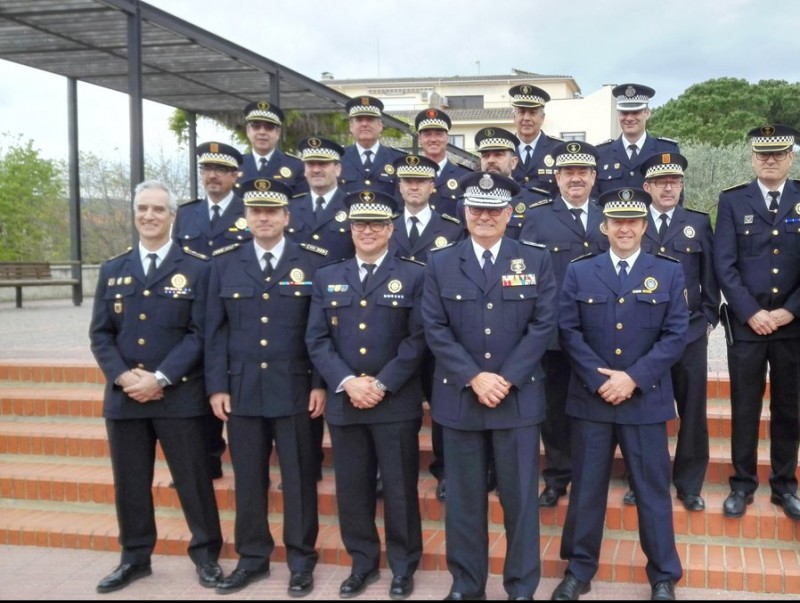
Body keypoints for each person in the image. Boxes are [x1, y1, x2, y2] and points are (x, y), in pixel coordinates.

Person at [422, 171, 557, 600]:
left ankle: (520, 587)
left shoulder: (535, 259)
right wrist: (474, 377)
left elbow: (543, 324)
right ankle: (466, 585)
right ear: (464, 212)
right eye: (476, 209)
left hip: (517, 399)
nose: (484, 216)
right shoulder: (441, 261)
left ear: (509, 213)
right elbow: (435, 327)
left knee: (520, 503)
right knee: (463, 504)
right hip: (461, 398)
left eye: (493, 209)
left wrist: (506, 377)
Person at [552, 187, 688, 601]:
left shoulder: (668, 270)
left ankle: (663, 574)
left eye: (632, 221)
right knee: (587, 487)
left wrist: (632, 378)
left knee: (651, 489)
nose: (624, 228)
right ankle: (579, 569)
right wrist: (601, 380)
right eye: (617, 221)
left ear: (644, 227)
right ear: (604, 226)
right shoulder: (580, 270)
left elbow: (675, 333)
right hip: (592, 399)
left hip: (645, 398)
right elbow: (568, 331)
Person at [89, 181, 223, 593]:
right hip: (126, 397)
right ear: (135, 214)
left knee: (193, 479)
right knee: (130, 481)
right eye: (143, 209)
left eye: (158, 210)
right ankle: (134, 557)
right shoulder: (114, 269)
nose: (149, 216)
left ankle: (206, 556)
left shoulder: (198, 268)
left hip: (178, 395)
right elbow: (101, 335)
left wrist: (159, 377)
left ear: (173, 216)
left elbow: (201, 333)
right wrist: (125, 377)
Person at [205, 178, 326, 597]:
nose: (263, 218)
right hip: (241, 390)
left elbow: (318, 331)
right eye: (256, 211)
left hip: (295, 388)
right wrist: (217, 386)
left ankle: (300, 560)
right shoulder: (223, 264)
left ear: (286, 217)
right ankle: (252, 558)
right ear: (245, 217)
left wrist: (319, 383)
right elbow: (214, 332)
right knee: (249, 478)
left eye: (272, 211)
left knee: (298, 477)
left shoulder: (311, 263)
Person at [306, 190, 427, 600]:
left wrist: (381, 383)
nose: (368, 231)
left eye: (377, 224)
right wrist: (347, 382)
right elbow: (317, 340)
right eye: (361, 224)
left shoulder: (414, 275)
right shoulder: (328, 276)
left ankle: (403, 565)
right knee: (352, 488)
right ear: (351, 229)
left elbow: (417, 339)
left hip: (395, 401)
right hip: (345, 402)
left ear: (391, 229)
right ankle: (362, 562)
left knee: (399, 487)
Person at [713, 124, 800, 521]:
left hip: (793, 325)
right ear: (752, 158)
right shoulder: (733, 200)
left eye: (778, 154)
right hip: (747, 325)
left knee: (789, 408)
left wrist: (790, 310)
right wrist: (751, 312)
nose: (770, 160)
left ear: (790, 158)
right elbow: (724, 264)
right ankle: (742, 484)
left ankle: (785, 485)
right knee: (744, 407)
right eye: (763, 154)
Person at [519, 141, 608, 508]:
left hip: (599, 333)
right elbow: (524, 276)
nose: (576, 178)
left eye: (582, 172)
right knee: (554, 409)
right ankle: (556, 477)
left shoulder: (609, 213)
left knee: (593, 407)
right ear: (556, 177)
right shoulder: (538, 217)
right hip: (554, 334)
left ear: (593, 177)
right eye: (568, 172)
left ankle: (590, 475)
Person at [640, 152, 720, 511]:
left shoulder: (698, 223)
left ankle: (689, 484)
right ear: (647, 187)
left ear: (682, 184)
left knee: (692, 408)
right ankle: (641, 480)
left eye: (674, 181)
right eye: (660, 181)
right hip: (642, 335)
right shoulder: (633, 221)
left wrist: (707, 318)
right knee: (643, 410)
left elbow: (710, 276)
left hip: (687, 332)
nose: (668, 186)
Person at [389, 153, 465, 501]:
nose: (414, 187)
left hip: (438, 329)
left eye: (420, 181)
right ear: (400, 186)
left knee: (441, 403)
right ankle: (387, 470)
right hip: (395, 329)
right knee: (395, 400)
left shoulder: (451, 226)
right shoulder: (385, 224)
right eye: (408, 181)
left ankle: (446, 468)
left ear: (433, 186)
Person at [172, 141, 246, 484]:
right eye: (207, 170)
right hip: (191, 308)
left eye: (221, 170)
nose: (213, 176)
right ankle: (205, 458)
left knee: (228, 378)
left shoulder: (251, 209)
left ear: (236, 175)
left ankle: (237, 454)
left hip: (236, 306)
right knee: (195, 384)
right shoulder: (186, 214)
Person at [594, 84, 680, 197]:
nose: (629, 118)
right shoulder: (601, 153)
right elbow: (594, 201)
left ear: (647, 113)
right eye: (624, 113)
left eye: (635, 112)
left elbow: (675, 197)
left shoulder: (667, 150)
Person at [471, 126, 550, 240]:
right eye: (485, 155)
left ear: (513, 162)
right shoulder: (467, 203)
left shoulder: (535, 203)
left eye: (498, 154)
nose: (491, 160)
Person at [287, 137, 354, 261]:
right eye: (311, 164)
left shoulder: (353, 207)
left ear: (337, 169)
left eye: (323, 163)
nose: (316, 170)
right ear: (305, 170)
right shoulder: (289, 208)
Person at [339, 95, 406, 196]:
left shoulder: (398, 159)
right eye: (359, 119)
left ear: (380, 126)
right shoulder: (338, 159)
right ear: (351, 127)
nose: (365, 124)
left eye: (370, 119)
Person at [238, 100, 306, 194]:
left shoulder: (297, 166)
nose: (262, 132)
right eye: (256, 126)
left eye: (269, 127)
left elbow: (301, 205)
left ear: (278, 133)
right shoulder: (236, 165)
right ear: (248, 131)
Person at [414, 107, 472, 217]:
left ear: (447, 138)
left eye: (439, 134)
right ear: (419, 139)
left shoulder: (464, 176)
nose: (433, 139)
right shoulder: (407, 176)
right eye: (427, 134)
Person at [508, 84, 562, 196]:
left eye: (532, 113)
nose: (526, 118)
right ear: (514, 117)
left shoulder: (558, 150)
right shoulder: (503, 150)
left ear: (542, 118)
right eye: (521, 112)